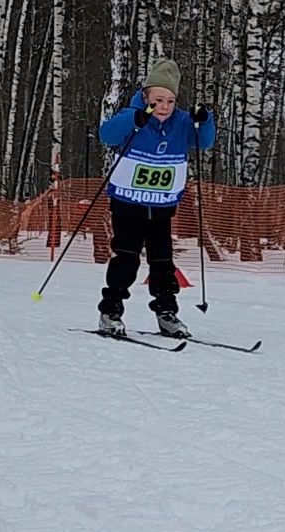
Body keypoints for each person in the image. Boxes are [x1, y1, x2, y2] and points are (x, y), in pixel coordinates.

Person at [94, 59, 216, 338]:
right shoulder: (133, 115)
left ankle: (166, 312)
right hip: (128, 204)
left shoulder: (181, 122)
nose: (164, 106)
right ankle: (111, 311)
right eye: (158, 100)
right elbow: (106, 135)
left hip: (161, 206)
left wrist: (205, 120)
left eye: (170, 101)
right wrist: (133, 119)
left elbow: (204, 141)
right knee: (126, 258)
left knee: (163, 262)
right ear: (145, 95)